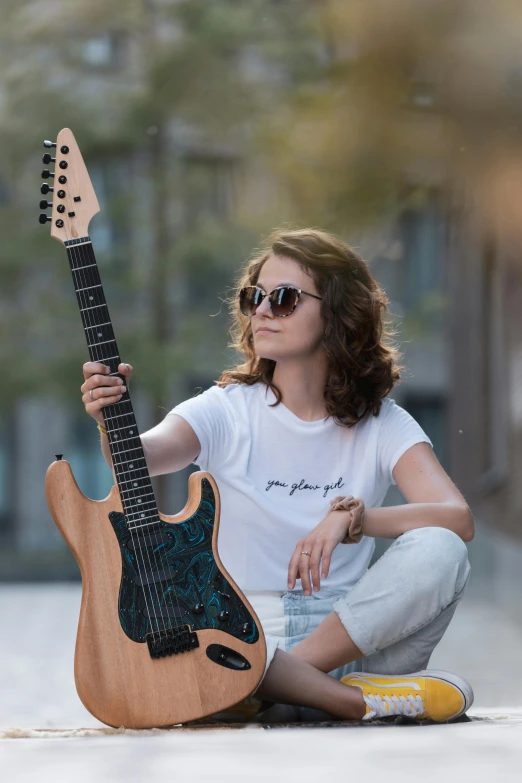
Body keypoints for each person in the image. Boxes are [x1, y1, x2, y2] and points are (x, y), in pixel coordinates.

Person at [80, 227, 474, 723]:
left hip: (350, 638)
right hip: (247, 635)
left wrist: (353, 520)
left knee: (443, 549)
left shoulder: (383, 423)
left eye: (284, 298)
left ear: (338, 312)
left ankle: (270, 688)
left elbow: (457, 518)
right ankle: (336, 699)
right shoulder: (225, 410)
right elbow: (138, 458)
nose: (262, 310)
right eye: (255, 297)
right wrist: (109, 418)